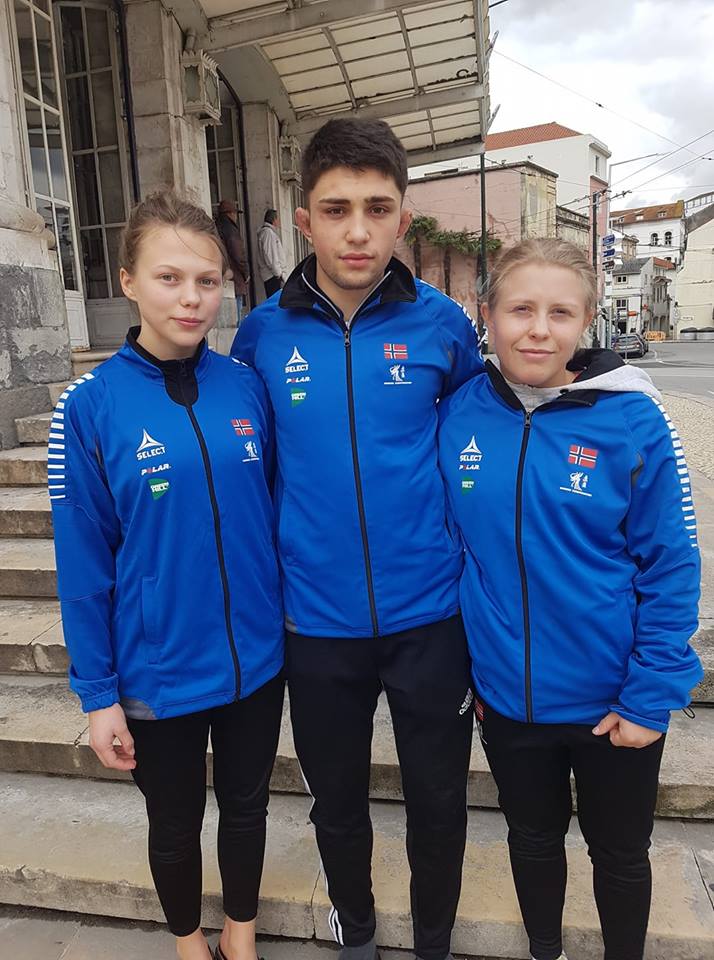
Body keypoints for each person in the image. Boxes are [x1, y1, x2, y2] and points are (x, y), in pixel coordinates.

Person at [232, 118, 483, 960]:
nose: (358, 231)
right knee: (336, 802)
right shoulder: (262, 335)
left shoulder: (444, 326)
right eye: (336, 210)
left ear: (402, 218)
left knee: (439, 801)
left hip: (430, 618)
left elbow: (487, 439)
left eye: (377, 209)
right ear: (305, 220)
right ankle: (358, 934)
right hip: (315, 623)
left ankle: (435, 942)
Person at [437, 238, 703, 960]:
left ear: (587, 321)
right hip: (509, 702)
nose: (537, 330)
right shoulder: (460, 413)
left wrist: (650, 696)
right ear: (487, 315)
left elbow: (672, 565)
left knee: (619, 854)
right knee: (531, 839)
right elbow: (453, 550)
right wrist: (473, 672)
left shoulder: (633, 420)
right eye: (520, 309)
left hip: (612, 702)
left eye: (559, 313)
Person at [49, 191, 285, 960]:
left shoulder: (246, 386)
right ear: (127, 281)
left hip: (255, 659)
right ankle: (189, 945)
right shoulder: (89, 407)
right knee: (175, 824)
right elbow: (83, 561)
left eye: (207, 281)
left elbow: (271, 509)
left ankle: (240, 937)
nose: (192, 298)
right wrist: (97, 694)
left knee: (247, 809)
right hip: (158, 669)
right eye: (169, 278)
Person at [215, 198, 250, 325]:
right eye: (235, 213)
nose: (236, 217)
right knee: (237, 317)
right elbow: (238, 254)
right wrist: (246, 273)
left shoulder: (216, 228)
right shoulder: (230, 230)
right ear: (230, 213)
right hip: (234, 277)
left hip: (223, 277)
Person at [256, 209, 286, 298]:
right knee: (275, 301)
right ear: (274, 220)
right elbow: (270, 256)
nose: (279, 221)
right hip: (272, 275)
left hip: (272, 274)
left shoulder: (268, 232)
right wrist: (279, 273)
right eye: (278, 218)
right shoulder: (268, 233)